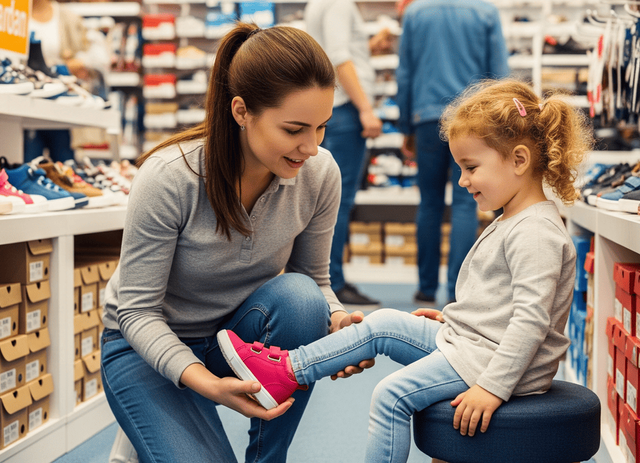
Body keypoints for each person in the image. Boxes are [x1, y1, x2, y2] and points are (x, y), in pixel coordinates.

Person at [218, 79, 594, 463]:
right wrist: (455, 319)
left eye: (470, 167)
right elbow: (501, 302)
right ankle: (286, 371)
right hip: (473, 346)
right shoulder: (514, 220)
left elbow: (531, 321)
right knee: (383, 325)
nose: (462, 181)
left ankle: (287, 373)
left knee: (390, 396)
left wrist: (493, 388)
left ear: (518, 160)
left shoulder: (534, 233)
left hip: (495, 365)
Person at [99, 22, 374, 463]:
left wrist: (338, 323)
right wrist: (206, 385)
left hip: (234, 338)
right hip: (146, 346)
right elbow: (136, 311)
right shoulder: (170, 177)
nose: (311, 147)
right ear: (242, 111)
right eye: (294, 129)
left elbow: (314, 280)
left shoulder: (320, 173)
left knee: (303, 300)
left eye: (321, 127)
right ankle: (158, 414)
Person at [396, 0, 511, 305]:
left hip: (426, 118)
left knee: (429, 204)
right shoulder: (484, 11)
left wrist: (406, 125)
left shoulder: (415, 12)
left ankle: (426, 288)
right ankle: (458, 291)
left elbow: (404, 72)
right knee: (465, 203)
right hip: (473, 121)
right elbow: (499, 75)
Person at [305, 0, 383, 309]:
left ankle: (325, 277)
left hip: (334, 109)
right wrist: (366, 109)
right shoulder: (338, 4)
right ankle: (332, 281)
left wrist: (369, 47)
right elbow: (339, 57)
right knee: (337, 200)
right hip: (345, 111)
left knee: (324, 197)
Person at [26, 0, 110, 163]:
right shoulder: (13, 13)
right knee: (28, 158)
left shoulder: (68, 18)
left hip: (60, 100)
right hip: (26, 98)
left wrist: (77, 64)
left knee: (64, 159)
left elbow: (88, 57)